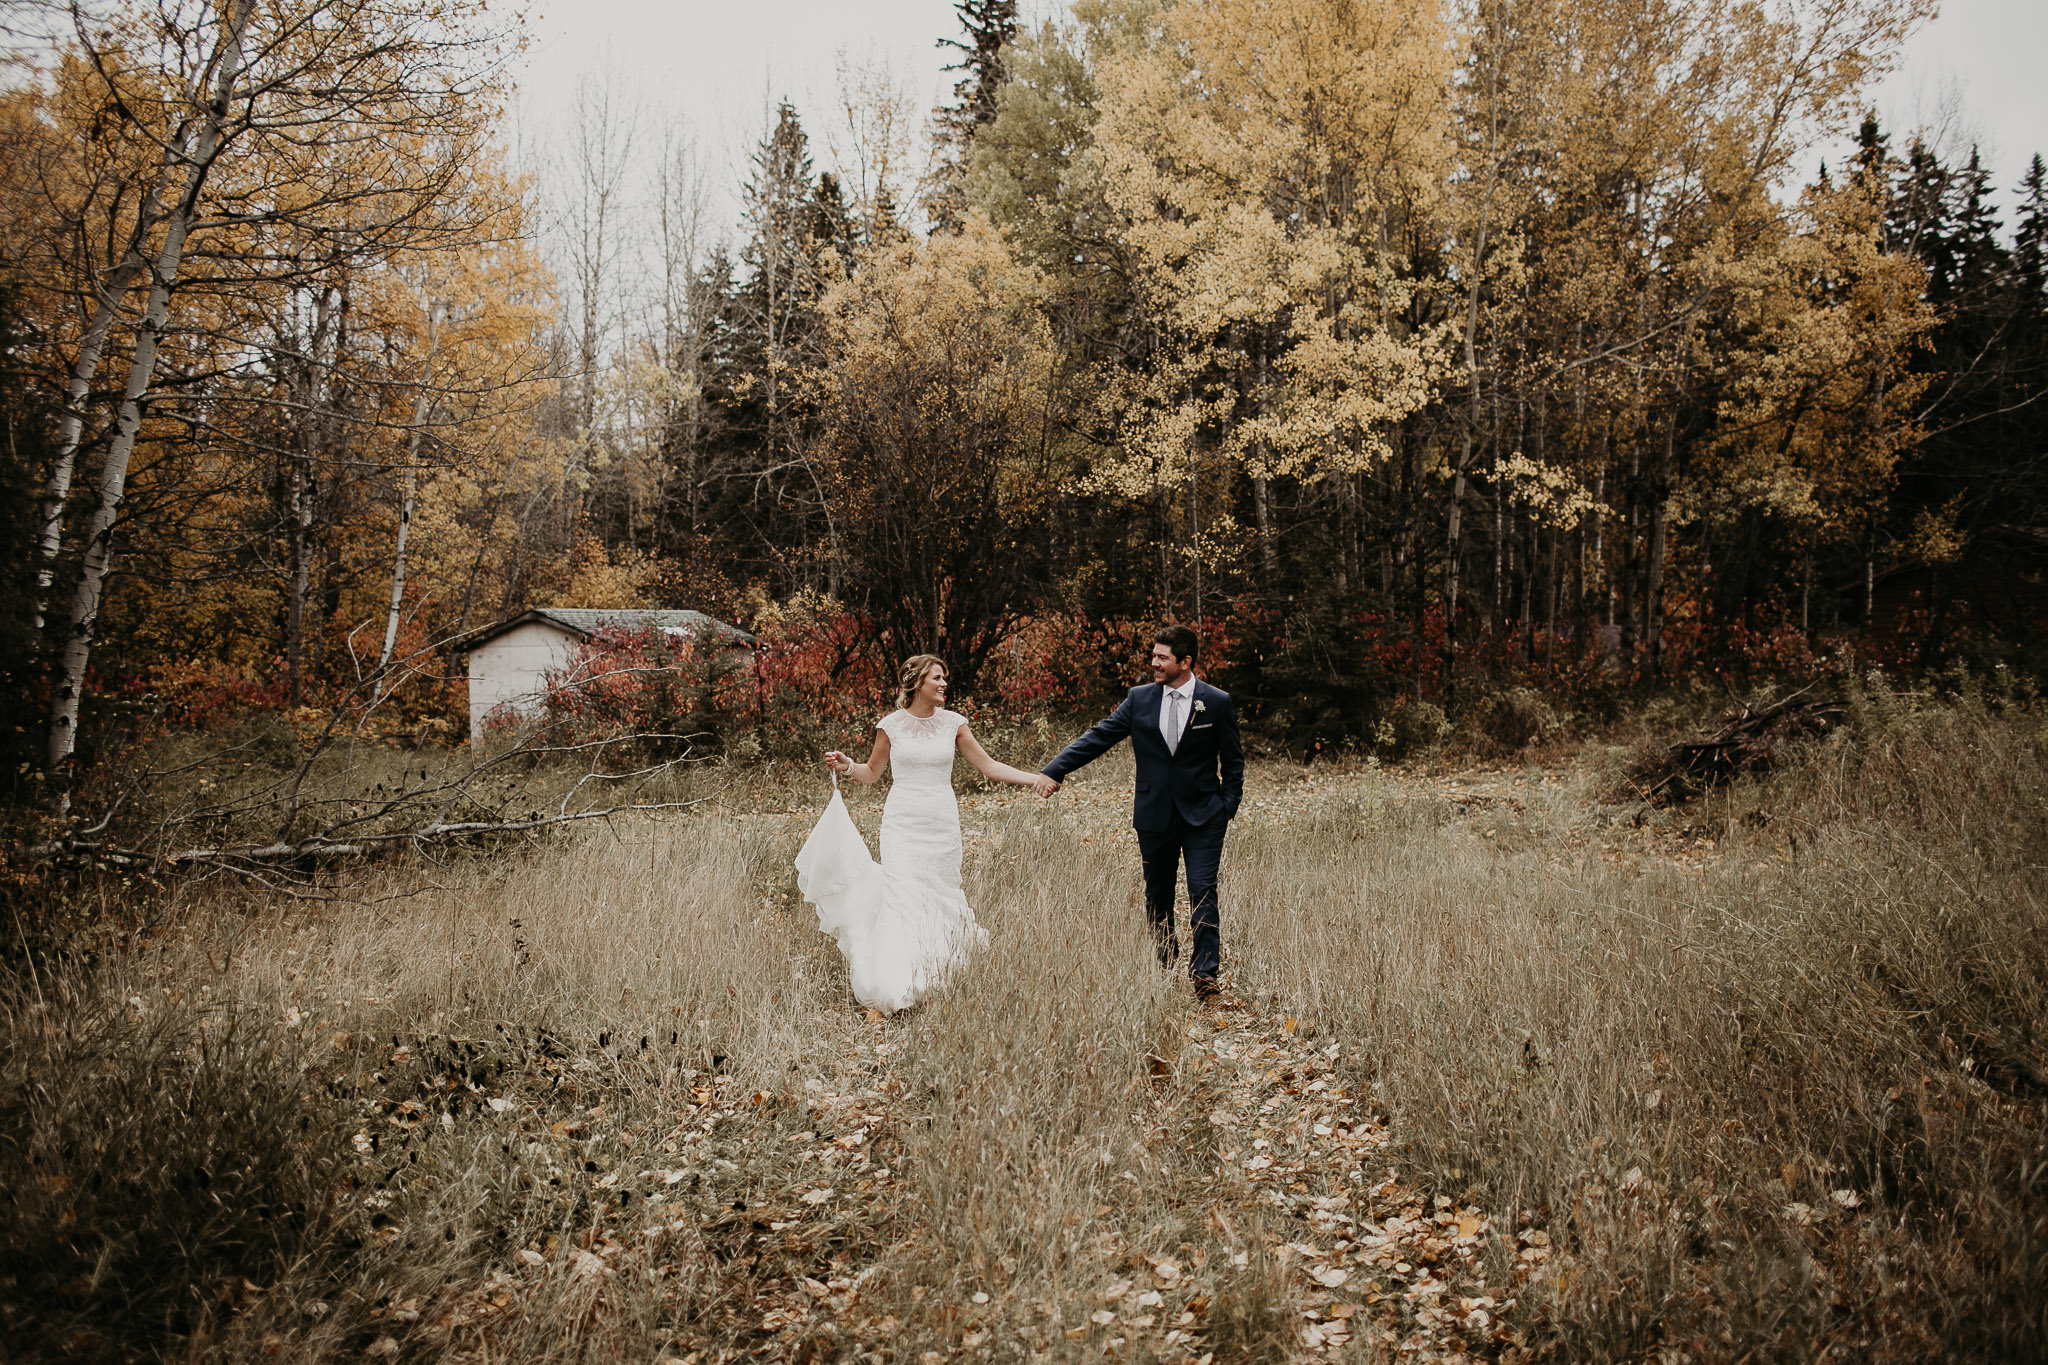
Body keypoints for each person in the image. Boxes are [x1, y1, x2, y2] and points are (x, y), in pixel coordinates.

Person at [796, 654, 1045, 1013]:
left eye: (944, 678)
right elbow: (872, 772)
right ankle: (901, 978)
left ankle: (936, 970)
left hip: (942, 823)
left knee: (940, 893)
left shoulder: (954, 724)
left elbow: (988, 766)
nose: (944, 684)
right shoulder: (891, 726)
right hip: (902, 824)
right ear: (917, 682)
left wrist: (1035, 778)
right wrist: (848, 765)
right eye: (937, 678)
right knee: (903, 896)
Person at [1035, 625, 1243, 1003]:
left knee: (1203, 891)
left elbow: (1234, 761)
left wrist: (1226, 806)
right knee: (1158, 896)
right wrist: (1055, 769)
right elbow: (1099, 736)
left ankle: (1205, 976)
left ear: (1186, 662)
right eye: (1154, 655)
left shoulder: (1215, 702)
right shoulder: (1139, 699)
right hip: (1154, 816)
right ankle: (1165, 969)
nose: (1154, 663)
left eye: (1162, 657)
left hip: (1204, 817)